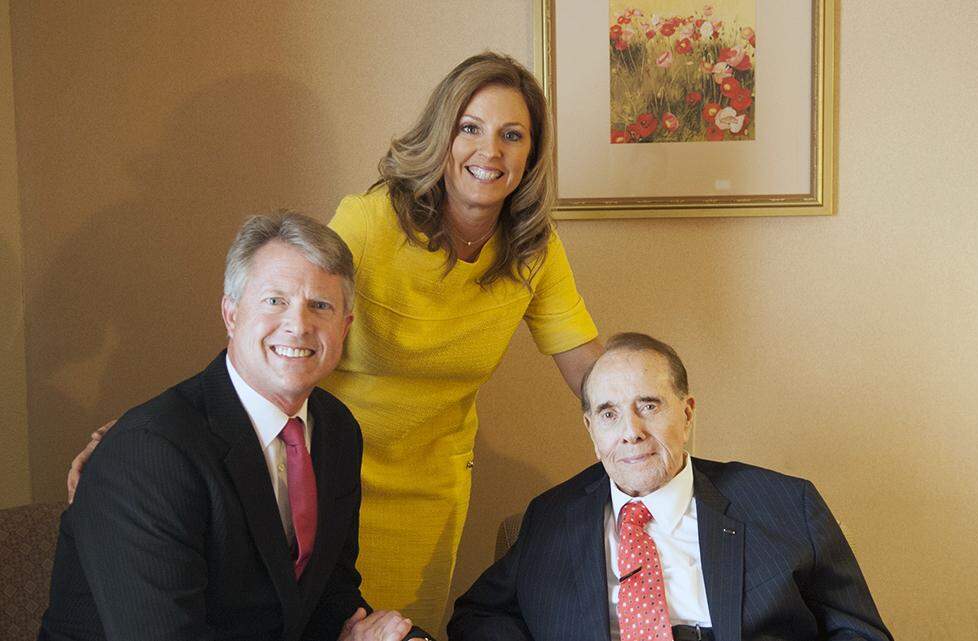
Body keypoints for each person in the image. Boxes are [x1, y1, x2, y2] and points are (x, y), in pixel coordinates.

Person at [68, 52, 602, 630]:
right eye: (469, 128)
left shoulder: (533, 250)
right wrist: (144, 434)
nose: (490, 151)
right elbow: (284, 313)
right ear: (441, 136)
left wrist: (641, 426)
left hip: (426, 486)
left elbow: (589, 370)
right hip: (319, 466)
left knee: (381, 624)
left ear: (532, 152)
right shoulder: (374, 221)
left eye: (512, 135)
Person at [41, 214, 432, 641]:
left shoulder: (337, 430)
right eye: (274, 300)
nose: (298, 325)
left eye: (320, 305)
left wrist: (380, 636)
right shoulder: (150, 453)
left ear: (345, 327)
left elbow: (326, 593)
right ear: (231, 313)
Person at [448, 333, 893, 641]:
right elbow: (479, 615)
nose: (631, 432)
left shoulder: (784, 504)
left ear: (687, 412)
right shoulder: (551, 517)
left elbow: (859, 631)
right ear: (590, 429)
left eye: (648, 405)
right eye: (609, 414)